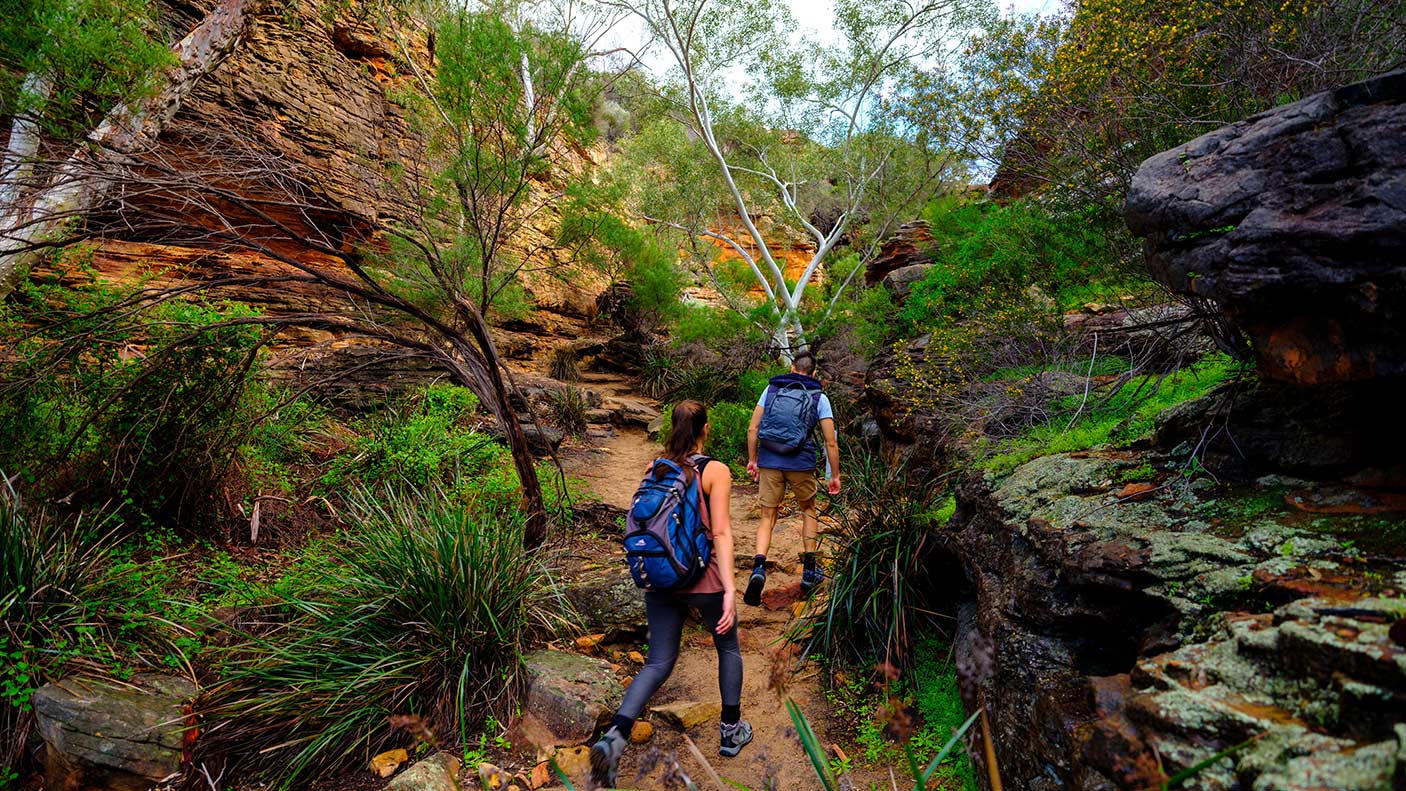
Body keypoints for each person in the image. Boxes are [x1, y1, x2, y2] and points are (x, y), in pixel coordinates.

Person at [590, 401, 750, 787]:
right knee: (727, 647)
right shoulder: (714, 470)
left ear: (671, 429)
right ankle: (731, 732)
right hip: (704, 578)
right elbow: (722, 533)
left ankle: (615, 737)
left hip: (660, 578)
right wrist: (730, 589)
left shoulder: (655, 467)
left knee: (658, 661)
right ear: (705, 430)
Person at [744, 350, 840, 606]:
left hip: (770, 459)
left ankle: (758, 567)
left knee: (767, 515)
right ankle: (810, 569)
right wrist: (835, 476)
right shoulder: (819, 396)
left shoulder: (773, 388)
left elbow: (753, 427)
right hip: (800, 461)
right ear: (814, 373)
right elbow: (830, 442)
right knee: (808, 508)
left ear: (792, 367)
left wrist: (753, 460)